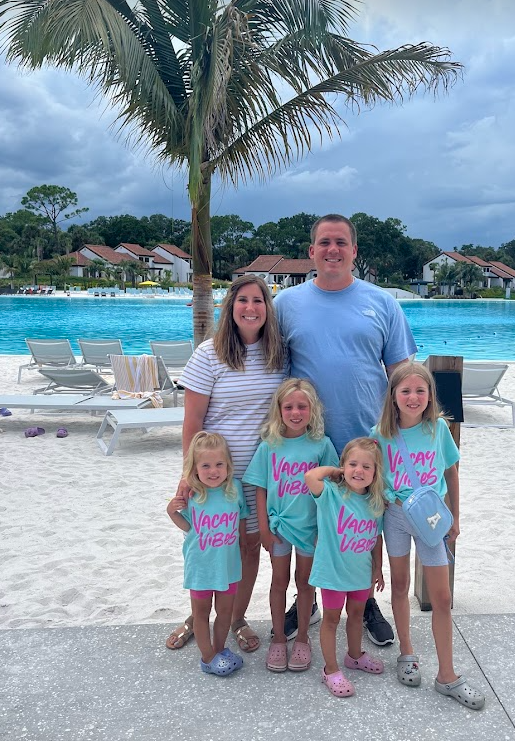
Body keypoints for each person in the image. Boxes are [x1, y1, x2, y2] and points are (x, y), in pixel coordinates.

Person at [274, 213, 416, 646]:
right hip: (308, 444)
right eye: (324, 242)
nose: (332, 249)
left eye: (341, 242)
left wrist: (412, 435)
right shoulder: (285, 304)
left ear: (354, 251)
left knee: (361, 525)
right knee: (311, 527)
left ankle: (365, 602)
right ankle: (309, 603)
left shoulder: (383, 303)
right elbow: (272, 373)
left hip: (365, 442)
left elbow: (402, 375)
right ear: (311, 252)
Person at [165, 274, 286, 653]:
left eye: (258, 301)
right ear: (230, 307)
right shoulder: (208, 354)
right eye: (243, 301)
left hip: (261, 474)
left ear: (268, 308)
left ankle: (234, 618)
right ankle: (197, 616)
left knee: (249, 549)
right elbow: (192, 422)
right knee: (210, 546)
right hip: (216, 476)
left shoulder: (278, 354)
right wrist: (188, 474)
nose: (251, 308)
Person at [372, 362, 485, 709]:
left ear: (430, 396)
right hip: (395, 517)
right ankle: (406, 651)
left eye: (420, 391)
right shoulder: (380, 435)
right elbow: (373, 481)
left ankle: (447, 673)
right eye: (405, 390)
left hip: (433, 517)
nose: (413, 397)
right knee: (401, 585)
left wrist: (456, 515)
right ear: (393, 396)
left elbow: (451, 472)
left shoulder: (438, 429)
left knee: (442, 596)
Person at [243, 378, 338, 673]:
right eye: (289, 407)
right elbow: (260, 488)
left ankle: (303, 639)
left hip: (310, 528)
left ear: (312, 410)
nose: (295, 413)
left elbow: (333, 487)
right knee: (279, 581)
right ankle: (280, 638)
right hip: (279, 526)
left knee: (305, 583)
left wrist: (326, 528)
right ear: (278, 409)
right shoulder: (269, 445)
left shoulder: (321, 445)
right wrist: (263, 528)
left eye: (302, 406)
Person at [305, 438, 386, 697]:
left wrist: (378, 568)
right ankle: (330, 669)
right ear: (343, 466)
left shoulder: (375, 503)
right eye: (352, 464)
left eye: (366, 467)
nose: (358, 471)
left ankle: (354, 656)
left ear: (375, 473)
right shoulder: (331, 494)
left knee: (356, 614)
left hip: (360, 572)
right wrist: (335, 472)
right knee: (331, 619)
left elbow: (376, 539)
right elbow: (310, 477)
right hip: (332, 572)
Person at [166, 432, 248, 676]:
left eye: (219, 464)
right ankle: (207, 657)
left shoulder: (235, 488)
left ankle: (220, 649)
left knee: (224, 613)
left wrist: (244, 547)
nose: (213, 471)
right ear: (195, 467)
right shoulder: (193, 494)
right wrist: (172, 512)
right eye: (206, 465)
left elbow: (242, 520)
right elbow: (188, 527)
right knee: (201, 614)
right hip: (201, 566)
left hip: (228, 566)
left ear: (228, 465)